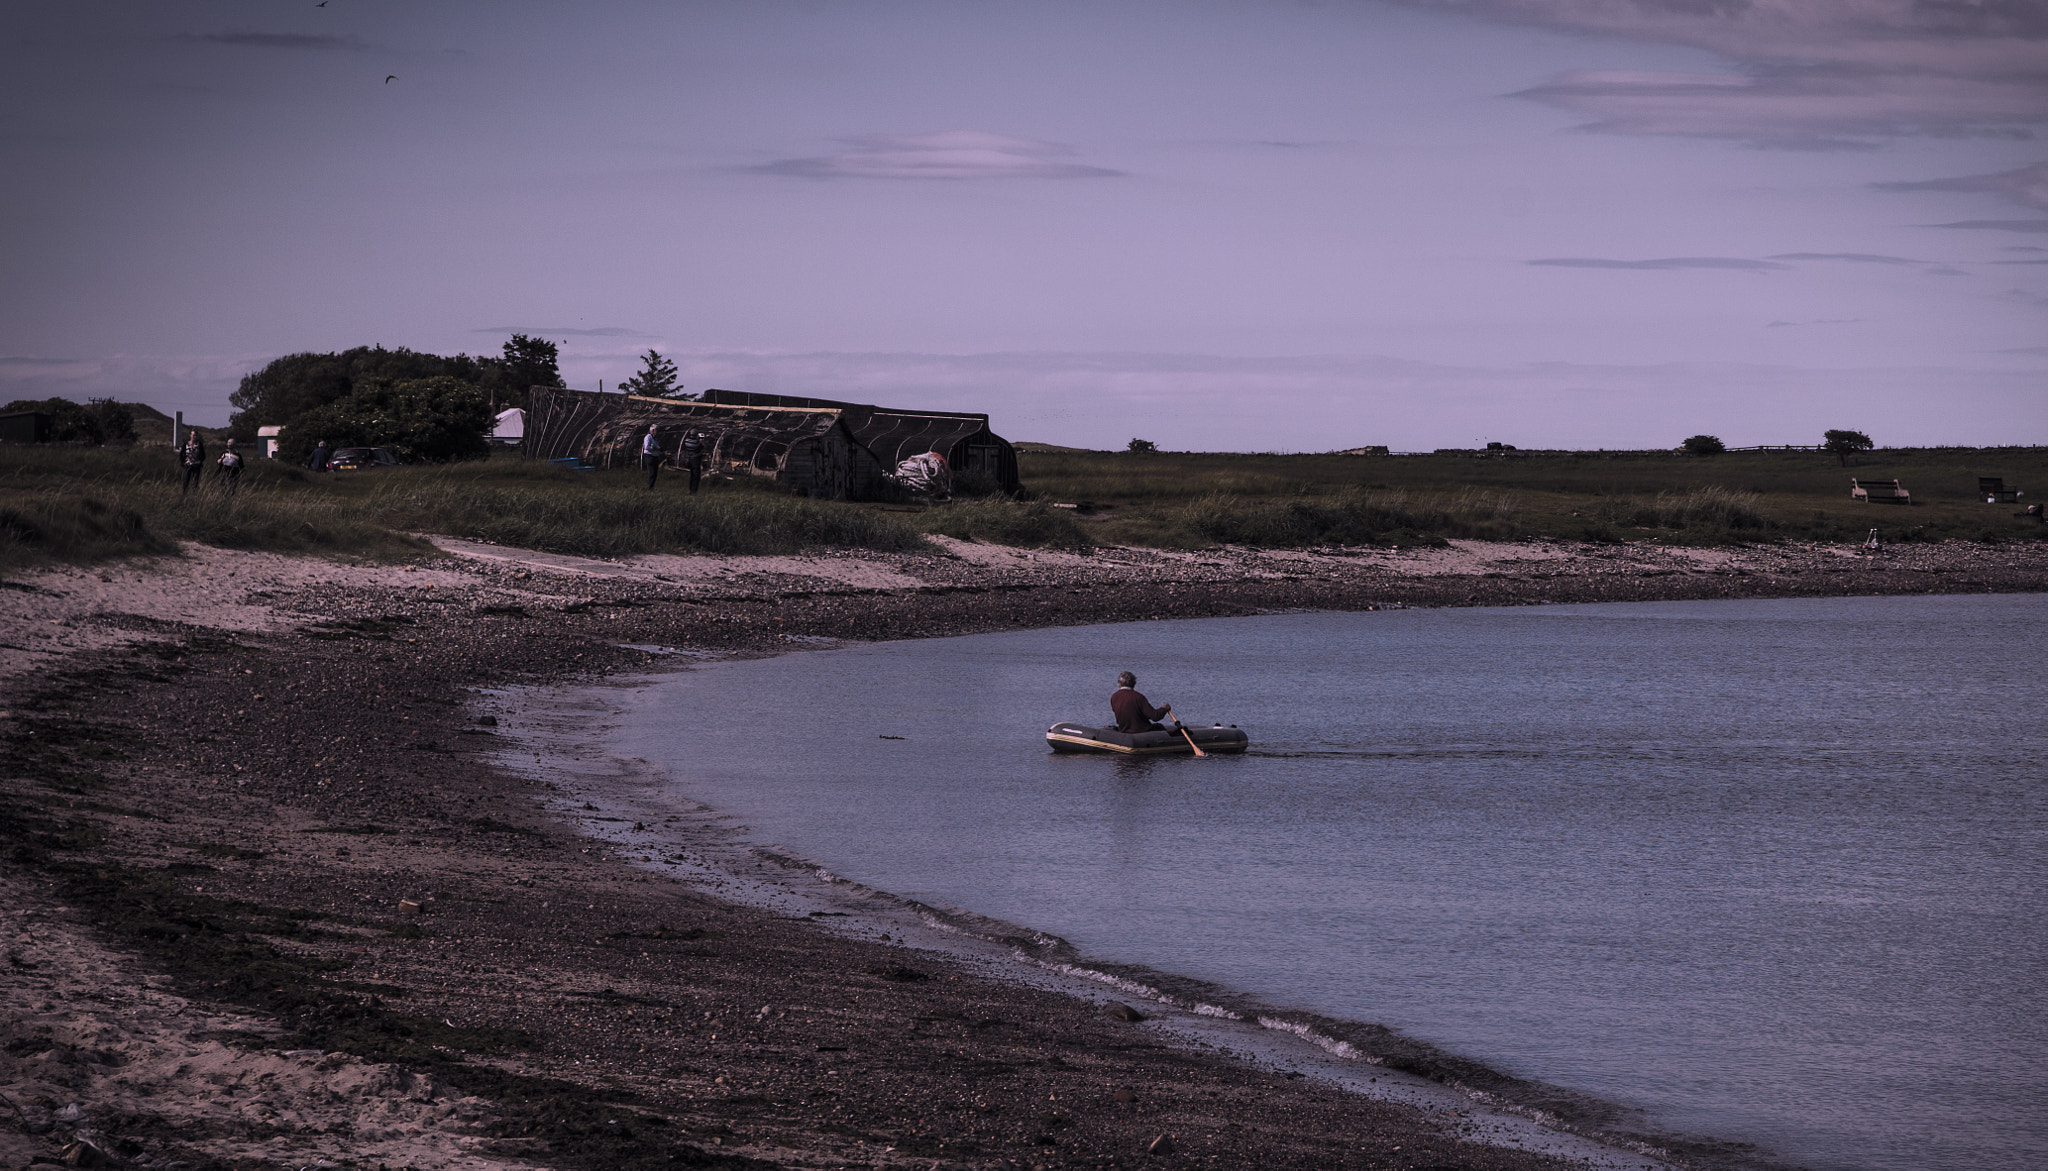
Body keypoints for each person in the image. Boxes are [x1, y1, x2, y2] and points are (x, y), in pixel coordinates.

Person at [179, 429, 206, 494]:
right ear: (190, 435)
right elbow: (181, 454)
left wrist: (200, 461)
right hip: (188, 465)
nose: (194, 437)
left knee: (195, 482)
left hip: (196, 466)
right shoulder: (186, 444)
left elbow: (203, 455)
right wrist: (183, 462)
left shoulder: (199, 444)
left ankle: (194, 495)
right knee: (186, 481)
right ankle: (184, 495)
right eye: (193, 435)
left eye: (195, 435)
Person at [681, 430, 705, 494]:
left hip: (690, 459)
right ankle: (694, 491)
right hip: (695, 460)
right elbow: (701, 447)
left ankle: (690, 489)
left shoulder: (687, 440)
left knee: (692, 475)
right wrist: (701, 442)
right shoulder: (696, 442)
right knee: (696, 476)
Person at [641, 424, 664, 489]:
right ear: (653, 430)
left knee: (655, 473)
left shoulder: (655, 438)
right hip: (650, 456)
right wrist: (655, 448)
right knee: (652, 472)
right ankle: (650, 487)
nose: (658, 432)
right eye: (657, 430)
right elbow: (647, 447)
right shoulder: (648, 437)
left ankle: (652, 486)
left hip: (655, 457)